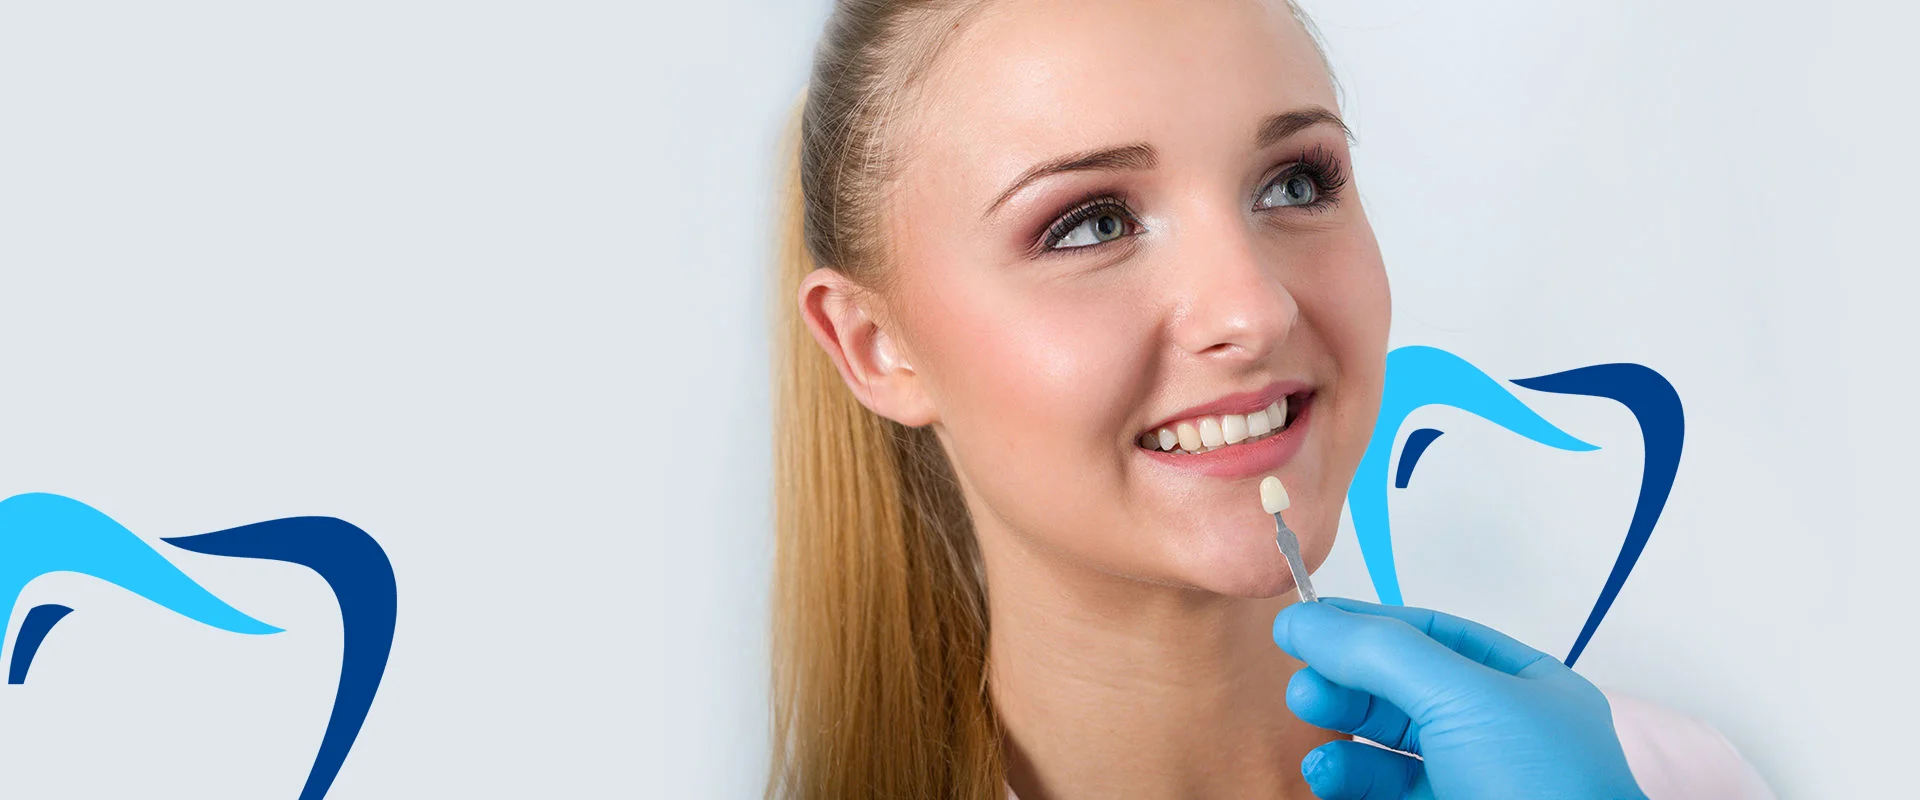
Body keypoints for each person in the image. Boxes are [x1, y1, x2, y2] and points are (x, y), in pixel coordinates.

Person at [768, 1, 1774, 797]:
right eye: (1090, 223)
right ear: (875, 346)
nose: (1254, 307)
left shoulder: (1658, 779)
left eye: (1295, 182)